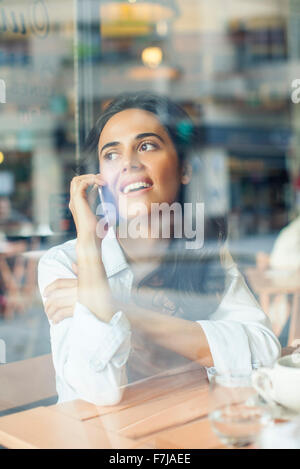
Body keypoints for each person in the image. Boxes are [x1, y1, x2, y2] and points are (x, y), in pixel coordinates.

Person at [38, 92, 281, 405]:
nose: (128, 163)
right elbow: (100, 391)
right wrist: (88, 242)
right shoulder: (63, 262)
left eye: (146, 146)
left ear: (184, 168)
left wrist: (121, 308)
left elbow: (263, 350)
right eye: (111, 155)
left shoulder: (202, 253)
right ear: (100, 179)